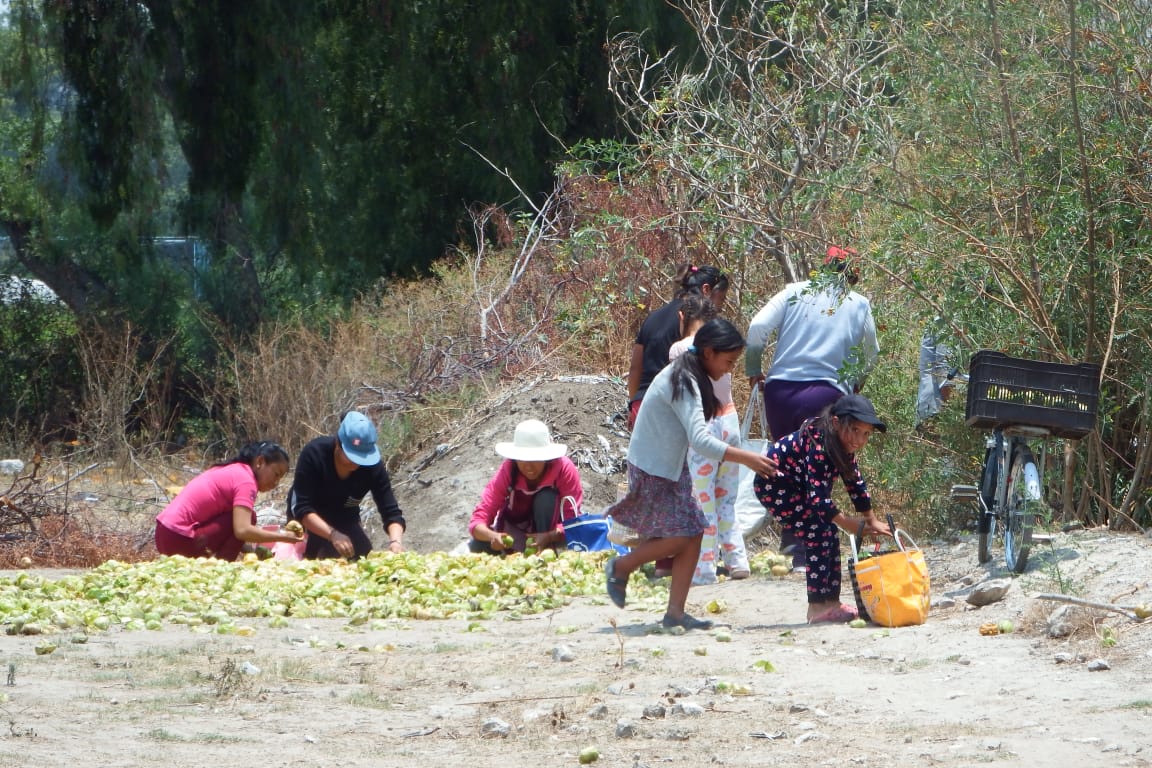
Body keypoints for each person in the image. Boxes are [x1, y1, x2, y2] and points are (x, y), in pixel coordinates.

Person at [605, 318, 779, 631]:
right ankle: (623, 565)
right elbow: (700, 440)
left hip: (669, 466)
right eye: (728, 362)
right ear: (709, 353)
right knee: (683, 534)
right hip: (653, 467)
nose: (729, 370)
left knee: (696, 530)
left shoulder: (691, 375)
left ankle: (675, 613)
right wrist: (748, 459)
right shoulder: (684, 382)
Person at [745, 245, 879, 569]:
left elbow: (756, 328)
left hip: (780, 392)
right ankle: (809, 553)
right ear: (853, 275)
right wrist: (855, 383)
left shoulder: (794, 291)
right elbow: (872, 353)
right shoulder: (858, 303)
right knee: (819, 471)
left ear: (823, 269)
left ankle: (793, 545)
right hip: (826, 396)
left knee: (787, 468)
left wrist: (753, 370)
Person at [752, 394, 892, 623]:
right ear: (836, 423)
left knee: (828, 531)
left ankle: (831, 602)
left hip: (799, 488)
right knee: (817, 531)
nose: (859, 439)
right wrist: (847, 522)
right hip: (775, 487)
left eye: (866, 434)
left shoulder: (843, 444)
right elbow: (817, 498)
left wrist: (871, 518)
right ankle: (816, 606)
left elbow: (854, 481)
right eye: (855, 430)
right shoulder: (819, 444)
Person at [668, 297, 750, 584]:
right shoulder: (723, 350)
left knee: (703, 501)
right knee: (726, 498)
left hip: (705, 426)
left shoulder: (681, 349)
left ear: (682, 318)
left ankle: (704, 568)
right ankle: (737, 559)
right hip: (730, 422)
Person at [286, 411, 406, 559]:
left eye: (362, 459)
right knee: (315, 560)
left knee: (362, 555)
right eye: (351, 457)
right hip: (309, 520)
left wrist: (396, 542)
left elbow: (391, 512)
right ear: (338, 443)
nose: (356, 463)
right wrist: (332, 534)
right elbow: (301, 508)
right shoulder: (314, 454)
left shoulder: (373, 467)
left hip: (345, 517)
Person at [155, 441, 304, 560]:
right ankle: (222, 569)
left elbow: (231, 531)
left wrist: (248, 550)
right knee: (249, 517)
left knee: (238, 516)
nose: (276, 482)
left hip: (163, 533)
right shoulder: (246, 481)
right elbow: (242, 530)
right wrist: (284, 537)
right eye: (276, 474)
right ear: (260, 462)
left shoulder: (233, 470)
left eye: (280, 478)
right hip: (178, 539)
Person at [627, 264, 730, 431]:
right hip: (671, 410)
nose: (721, 306)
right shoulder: (696, 324)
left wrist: (634, 404)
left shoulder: (653, 317)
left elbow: (635, 369)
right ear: (706, 289)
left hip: (642, 405)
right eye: (722, 298)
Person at [468, 419, 584, 554]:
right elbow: (480, 517)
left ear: (546, 457)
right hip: (516, 528)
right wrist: (493, 536)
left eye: (535, 459)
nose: (529, 466)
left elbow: (573, 521)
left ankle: (546, 552)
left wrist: (549, 536)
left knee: (546, 498)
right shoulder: (509, 469)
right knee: (476, 546)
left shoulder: (563, 469)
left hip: (552, 531)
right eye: (523, 458)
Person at [915, 318, 960, 429]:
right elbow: (944, 372)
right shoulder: (949, 322)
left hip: (930, 406)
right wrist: (951, 409)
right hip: (937, 409)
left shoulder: (942, 320)